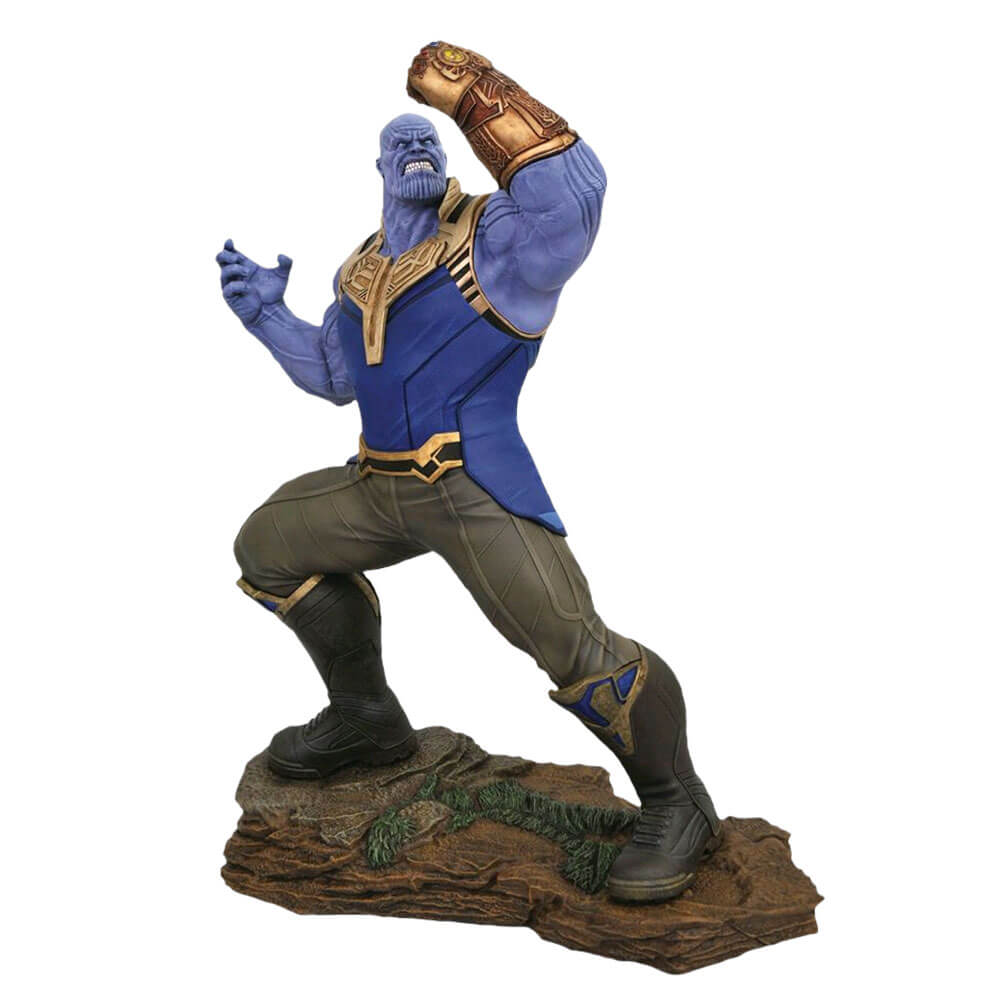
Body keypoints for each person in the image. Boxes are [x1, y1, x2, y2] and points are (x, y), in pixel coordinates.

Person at [216, 42, 719, 902]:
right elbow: (334, 375)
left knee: (574, 646)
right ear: (380, 168)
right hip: (376, 487)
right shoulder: (363, 269)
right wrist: (267, 317)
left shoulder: (496, 240)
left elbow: (576, 200)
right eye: (400, 144)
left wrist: (476, 94)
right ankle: (367, 718)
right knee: (267, 546)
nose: (416, 148)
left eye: (428, 141)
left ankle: (679, 802)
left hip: (470, 485)